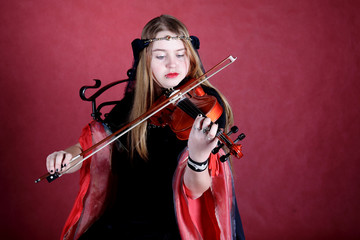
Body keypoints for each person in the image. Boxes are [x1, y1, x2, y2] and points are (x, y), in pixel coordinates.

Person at [46, 15, 245, 240]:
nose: (172, 64)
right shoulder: (134, 104)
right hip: (124, 217)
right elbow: (91, 149)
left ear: (190, 57)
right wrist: (65, 158)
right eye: (161, 56)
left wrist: (198, 156)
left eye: (180, 54)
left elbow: (195, 190)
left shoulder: (205, 103)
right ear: (145, 60)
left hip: (173, 222)